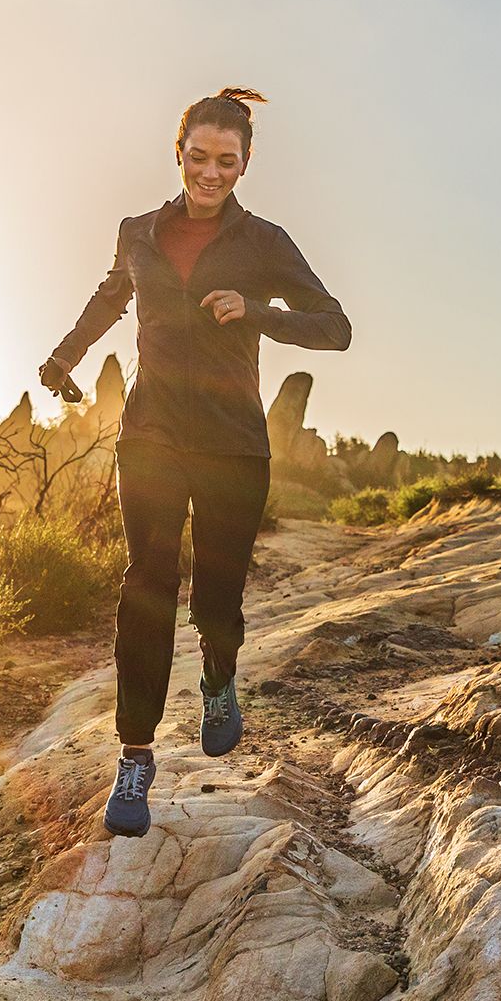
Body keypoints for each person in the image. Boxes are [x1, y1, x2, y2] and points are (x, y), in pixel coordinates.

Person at [39, 88, 351, 836]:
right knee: (146, 584)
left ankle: (219, 675)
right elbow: (112, 295)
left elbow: (335, 326)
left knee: (217, 598)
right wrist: (65, 355)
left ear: (245, 165)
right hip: (150, 433)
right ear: (177, 151)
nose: (211, 173)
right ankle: (135, 757)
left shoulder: (265, 242)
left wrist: (260, 312)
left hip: (232, 442)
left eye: (228, 162)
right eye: (199, 156)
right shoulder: (139, 231)